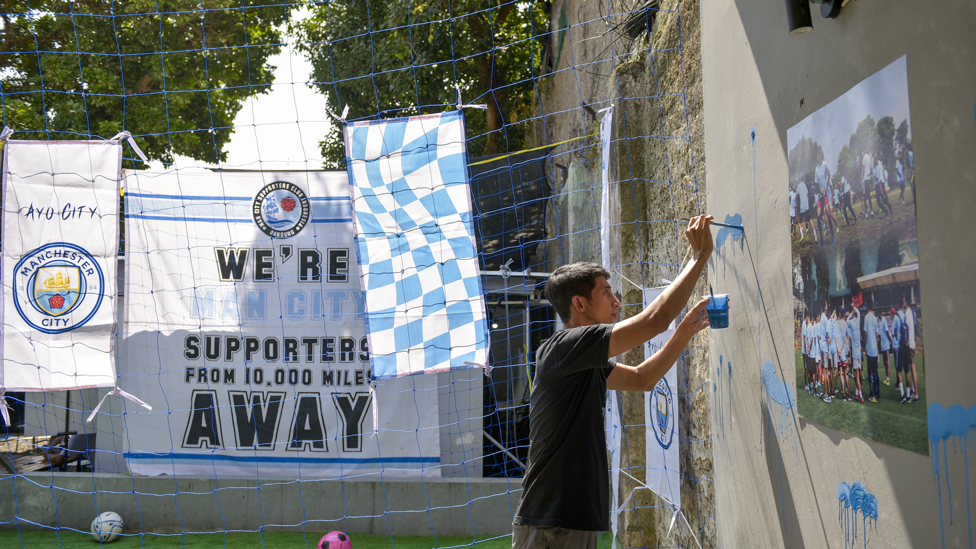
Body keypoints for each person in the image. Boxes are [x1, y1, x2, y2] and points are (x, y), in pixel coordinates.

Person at [512, 216, 715, 548]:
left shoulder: (581, 360)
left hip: (570, 520)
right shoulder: (563, 348)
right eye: (606, 293)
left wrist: (685, 330)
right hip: (551, 521)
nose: (616, 302)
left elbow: (642, 378)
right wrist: (699, 257)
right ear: (579, 304)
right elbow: (655, 320)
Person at [863, 304, 881, 402]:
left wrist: (865, 346)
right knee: (875, 371)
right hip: (875, 349)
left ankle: (872, 395)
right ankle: (876, 393)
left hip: (869, 349)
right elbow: (877, 334)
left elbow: (866, 334)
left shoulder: (866, 317)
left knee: (870, 373)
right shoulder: (874, 318)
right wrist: (876, 345)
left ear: (867, 307)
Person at [847, 306, 863, 402]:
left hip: (854, 353)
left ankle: (860, 394)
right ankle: (857, 392)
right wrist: (854, 308)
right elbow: (859, 313)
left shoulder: (851, 322)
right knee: (858, 373)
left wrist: (851, 314)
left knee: (856, 374)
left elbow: (847, 321)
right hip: (859, 352)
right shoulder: (858, 320)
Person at [879, 308, 893, 385]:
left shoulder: (884, 320)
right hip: (883, 346)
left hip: (886, 345)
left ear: (880, 314)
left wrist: (890, 340)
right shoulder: (880, 321)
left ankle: (888, 379)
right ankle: (886, 378)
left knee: (888, 363)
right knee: (885, 363)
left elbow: (887, 331)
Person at [861, 149, 874, 218]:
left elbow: (863, 167)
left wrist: (863, 174)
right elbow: (871, 166)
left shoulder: (864, 157)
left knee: (865, 196)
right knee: (869, 196)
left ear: (864, 150)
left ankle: (866, 213)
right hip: (869, 178)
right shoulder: (869, 157)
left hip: (865, 178)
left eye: (863, 150)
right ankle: (871, 211)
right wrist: (871, 173)